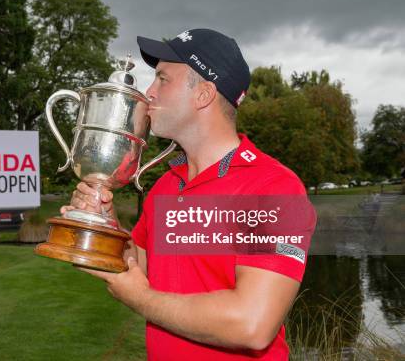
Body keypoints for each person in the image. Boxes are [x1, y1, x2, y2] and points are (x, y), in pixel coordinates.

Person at [60, 28, 316, 360]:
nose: (149, 93)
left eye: (162, 80)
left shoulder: (273, 188)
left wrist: (139, 298)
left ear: (204, 95)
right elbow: (139, 266)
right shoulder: (168, 185)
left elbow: (251, 325)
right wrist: (103, 224)